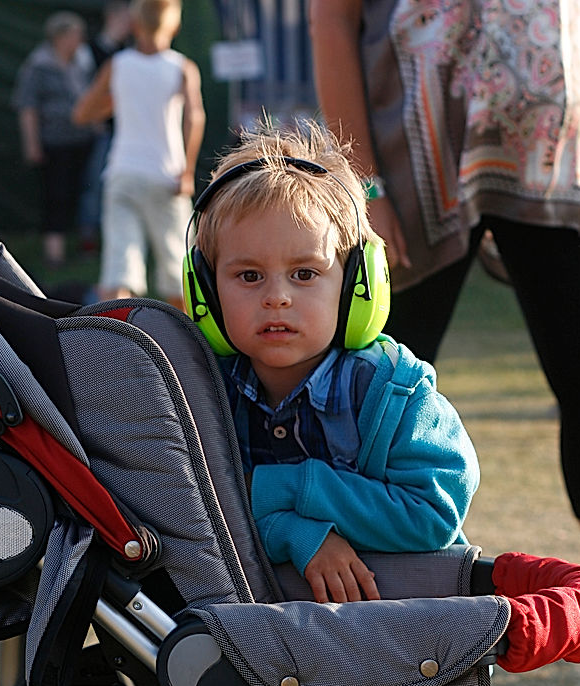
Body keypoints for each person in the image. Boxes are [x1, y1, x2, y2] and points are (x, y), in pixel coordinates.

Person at [309, 0, 580, 686]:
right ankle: (332, 641)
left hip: (566, 145)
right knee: (363, 391)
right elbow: (331, 14)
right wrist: (361, 182)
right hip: (417, 149)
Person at [184, 118, 480, 606]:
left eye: (304, 273)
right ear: (206, 291)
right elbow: (184, 511)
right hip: (261, 639)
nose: (276, 297)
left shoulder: (395, 392)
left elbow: (434, 512)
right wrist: (297, 534)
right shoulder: (201, 391)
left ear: (355, 285)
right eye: (249, 276)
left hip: (396, 629)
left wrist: (288, 487)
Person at [72, 0, 205, 310]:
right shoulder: (182, 67)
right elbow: (195, 117)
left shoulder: (117, 65)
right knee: (180, 272)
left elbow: (82, 113)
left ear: (134, 24)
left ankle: (113, 347)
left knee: (119, 270)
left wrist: (117, 100)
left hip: (123, 173)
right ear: (174, 25)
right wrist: (187, 171)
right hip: (167, 175)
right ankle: (195, 349)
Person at [12, 11, 97, 267]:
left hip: (83, 141)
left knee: (83, 193)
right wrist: (32, 144)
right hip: (54, 143)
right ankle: (54, 256)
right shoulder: (38, 64)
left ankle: (85, 247)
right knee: (56, 195)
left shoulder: (82, 62)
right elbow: (27, 107)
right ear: (61, 37)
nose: (80, 39)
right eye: (75, 34)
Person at [77, 1, 133, 253]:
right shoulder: (90, 52)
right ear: (112, 17)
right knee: (95, 186)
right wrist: (97, 118)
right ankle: (90, 238)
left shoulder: (128, 54)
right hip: (100, 134)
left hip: (127, 134)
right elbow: (81, 103)